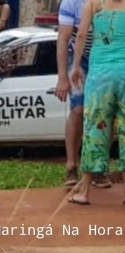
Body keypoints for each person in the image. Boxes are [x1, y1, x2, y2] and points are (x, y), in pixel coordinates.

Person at [68, 0, 125, 205]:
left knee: (95, 127)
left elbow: (82, 35)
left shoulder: (93, 4)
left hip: (101, 73)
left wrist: (75, 67)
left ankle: (84, 191)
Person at [55, 0, 112, 188]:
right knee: (78, 109)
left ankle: (98, 166)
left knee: (105, 112)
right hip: (80, 57)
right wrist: (63, 76)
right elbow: (64, 39)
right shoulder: (71, 3)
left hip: (105, 56)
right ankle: (71, 165)